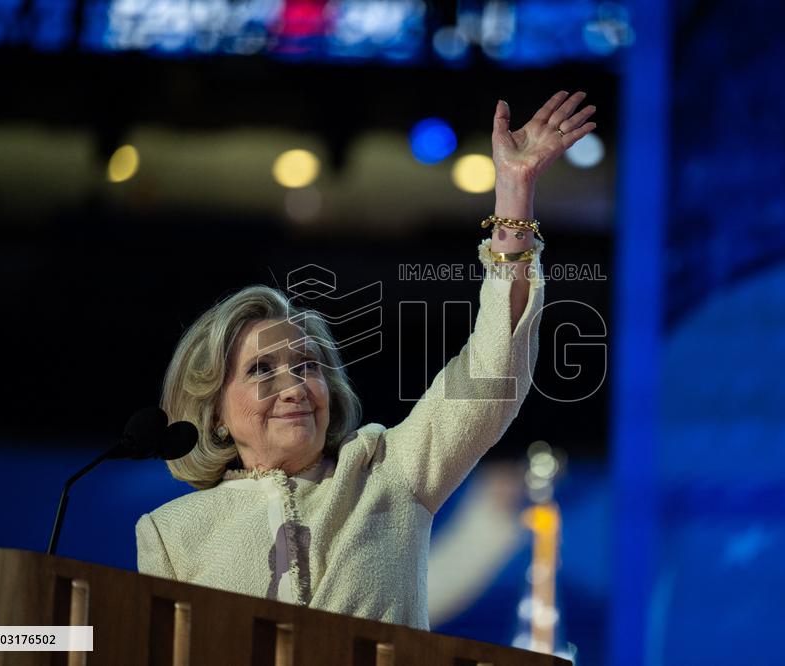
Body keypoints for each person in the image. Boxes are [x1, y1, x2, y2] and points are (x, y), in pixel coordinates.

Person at [136, 91, 596, 629]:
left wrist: (515, 193)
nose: (294, 387)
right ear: (215, 410)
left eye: (307, 366)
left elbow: (493, 371)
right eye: (261, 370)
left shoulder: (390, 471)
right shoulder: (173, 533)